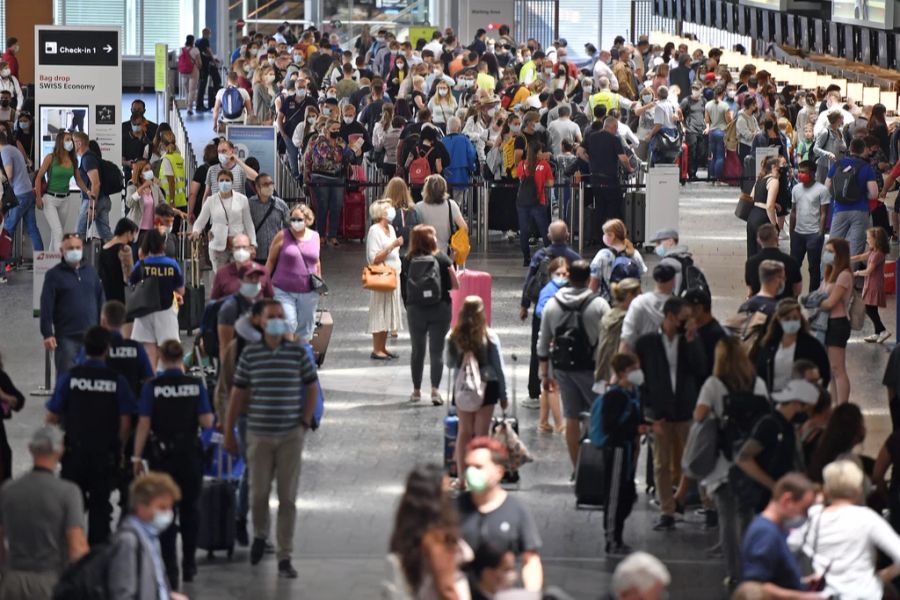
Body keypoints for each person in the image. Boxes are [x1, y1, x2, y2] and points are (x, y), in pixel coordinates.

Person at [223, 299, 319, 579]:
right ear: (260, 322)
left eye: (280, 316)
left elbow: (311, 386)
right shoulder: (250, 355)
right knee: (259, 492)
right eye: (272, 316)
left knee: (287, 498)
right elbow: (237, 396)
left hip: (290, 435)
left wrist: (304, 420)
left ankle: (284, 555)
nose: (278, 320)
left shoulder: (298, 352)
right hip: (258, 434)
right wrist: (229, 432)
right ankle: (260, 535)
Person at [132, 340, 213, 588]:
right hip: (190, 456)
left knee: (165, 511)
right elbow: (207, 421)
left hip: (162, 459)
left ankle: (170, 568)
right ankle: (189, 562)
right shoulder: (195, 385)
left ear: (162, 360)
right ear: (181, 360)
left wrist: (136, 457)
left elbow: (144, 423)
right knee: (191, 511)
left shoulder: (152, 387)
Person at [45, 326, 134, 545]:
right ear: (107, 350)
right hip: (103, 455)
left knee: (71, 508)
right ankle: (96, 560)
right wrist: (119, 448)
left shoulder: (70, 378)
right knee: (100, 509)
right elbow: (125, 421)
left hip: (74, 453)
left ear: (85, 348)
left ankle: (71, 557)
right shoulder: (117, 381)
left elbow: (52, 417)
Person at [634, 296, 707, 531]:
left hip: (686, 411)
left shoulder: (690, 341)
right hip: (661, 414)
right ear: (669, 317)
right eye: (683, 319)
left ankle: (708, 504)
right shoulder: (647, 343)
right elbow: (641, 378)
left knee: (695, 459)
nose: (687, 323)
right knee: (661, 464)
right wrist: (649, 409)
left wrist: (692, 341)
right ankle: (667, 509)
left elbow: (701, 369)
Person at [537, 259, 610, 469]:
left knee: (571, 417)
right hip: (592, 368)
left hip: (563, 369)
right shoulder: (599, 305)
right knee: (596, 415)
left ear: (568, 277)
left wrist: (545, 375)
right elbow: (608, 340)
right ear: (589, 279)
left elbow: (543, 342)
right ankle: (596, 467)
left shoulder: (553, 304)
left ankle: (577, 468)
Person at [791, 460, 900, 600]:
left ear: (827, 489)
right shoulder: (867, 518)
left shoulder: (814, 518)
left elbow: (789, 549)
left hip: (823, 593)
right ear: (859, 489)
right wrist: (879, 578)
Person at [0, 426, 87, 600]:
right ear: (60, 450)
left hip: (14, 579)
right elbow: (76, 545)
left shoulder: (8, 490)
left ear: (31, 449)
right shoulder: (67, 492)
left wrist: (5, 571)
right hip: (51, 580)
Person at [457, 437, 543, 591]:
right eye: (468, 466)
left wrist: (531, 594)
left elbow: (530, 560)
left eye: (478, 467)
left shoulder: (517, 510)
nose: (471, 472)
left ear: (498, 472)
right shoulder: (454, 508)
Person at [733, 379, 819, 515]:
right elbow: (743, 459)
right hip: (760, 501)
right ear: (797, 403)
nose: (807, 415)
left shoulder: (787, 426)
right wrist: (774, 485)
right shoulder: (770, 425)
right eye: (807, 408)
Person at [520, 221, 581, 410]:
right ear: (568, 236)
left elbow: (529, 280)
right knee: (570, 346)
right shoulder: (574, 257)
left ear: (548, 236)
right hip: (567, 311)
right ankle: (569, 389)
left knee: (538, 348)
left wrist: (524, 305)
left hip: (543, 310)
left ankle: (533, 392)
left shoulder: (540, 255)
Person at [444, 297, 508, 480]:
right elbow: (499, 368)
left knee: (464, 432)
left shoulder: (452, 336)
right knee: (481, 433)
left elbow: (449, 364)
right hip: (488, 387)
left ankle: (462, 479)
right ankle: (480, 478)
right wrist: (503, 395)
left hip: (463, 387)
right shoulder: (489, 336)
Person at [388, 464, 472, 599]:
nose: (449, 496)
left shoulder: (408, 530)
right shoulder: (436, 537)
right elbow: (446, 588)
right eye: (445, 490)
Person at [107, 472, 188, 600]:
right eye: (162, 507)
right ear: (141, 506)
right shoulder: (128, 541)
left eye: (170, 508)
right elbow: (122, 593)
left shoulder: (151, 537)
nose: (167, 513)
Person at [740, 473, 822, 599]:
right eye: (804, 509)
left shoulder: (776, 529)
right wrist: (802, 596)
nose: (805, 516)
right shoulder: (765, 533)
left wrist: (802, 582)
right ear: (787, 500)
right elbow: (757, 586)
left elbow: (775, 577)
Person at [594, 353, 643, 554]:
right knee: (615, 495)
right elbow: (610, 426)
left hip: (628, 449)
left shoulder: (633, 393)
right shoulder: (615, 395)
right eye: (634, 369)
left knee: (627, 494)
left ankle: (617, 537)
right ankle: (612, 539)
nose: (639, 373)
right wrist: (636, 429)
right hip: (616, 450)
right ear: (624, 372)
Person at [405, 225, 458, 404]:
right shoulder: (442, 258)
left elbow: (404, 287)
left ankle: (416, 391)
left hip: (415, 310)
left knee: (417, 350)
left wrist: (409, 305)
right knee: (437, 351)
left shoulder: (408, 259)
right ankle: (435, 391)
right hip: (440, 308)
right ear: (431, 239)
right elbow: (455, 285)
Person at [40, 234, 104, 379]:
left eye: (77, 248)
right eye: (70, 248)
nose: (74, 251)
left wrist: (103, 328)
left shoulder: (91, 272)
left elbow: (101, 299)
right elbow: (46, 306)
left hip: (91, 338)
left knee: (92, 380)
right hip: (66, 338)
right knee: (66, 379)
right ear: (62, 251)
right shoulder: (53, 275)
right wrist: (47, 333)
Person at [266, 204, 321, 342]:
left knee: (306, 327)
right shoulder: (282, 236)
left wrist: (320, 281)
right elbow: (271, 261)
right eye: (293, 219)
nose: (296, 222)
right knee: (288, 322)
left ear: (307, 219)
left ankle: (300, 355)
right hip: (283, 290)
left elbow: (317, 261)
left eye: (299, 219)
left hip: (308, 291)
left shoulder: (315, 237)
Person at [755, 299, 831, 393]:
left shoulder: (812, 346)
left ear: (800, 318)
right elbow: (760, 373)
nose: (791, 321)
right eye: (787, 319)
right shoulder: (769, 344)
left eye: (795, 318)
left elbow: (824, 373)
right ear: (779, 319)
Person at [192, 170, 257, 272]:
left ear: (232, 182)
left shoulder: (242, 199)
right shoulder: (210, 200)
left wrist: (253, 243)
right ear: (217, 182)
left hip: (237, 244)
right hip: (217, 244)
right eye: (221, 180)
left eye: (227, 180)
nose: (224, 183)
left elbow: (248, 223)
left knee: (239, 276)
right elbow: (200, 221)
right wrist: (196, 232)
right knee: (220, 278)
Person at [825, 137, 878, 258]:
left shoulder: (837, 164)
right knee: (855, 247)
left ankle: (828, 274)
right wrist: (863, 195)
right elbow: (874, 193)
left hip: (839, 209)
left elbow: (827, 185)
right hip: (860, 211)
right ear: (864, 150)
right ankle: (849, 274)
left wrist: (837, 196)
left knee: (832, 246)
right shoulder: (866, 167)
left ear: (850, 149)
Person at [577, 115, 633, 228]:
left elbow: (579, 152)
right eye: (616, 128)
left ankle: (599, 237)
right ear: (613, 126)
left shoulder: (590, 137)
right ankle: (614, 234)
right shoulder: (614, 139)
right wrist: (630, 168)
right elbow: (623, 159)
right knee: (614, 207)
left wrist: (590, 161)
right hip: (610, 179)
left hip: (595, 178)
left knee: (600, 207)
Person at [304, 118, 353, 246]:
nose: (337, 131)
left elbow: (349, 156)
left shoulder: (340, 141)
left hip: (338, 177)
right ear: (327, 129)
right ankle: (320, 235)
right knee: (322, 206)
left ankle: (332, 235)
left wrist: (348, 150)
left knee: (336, 206)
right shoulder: (320, 141)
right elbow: (332, 156)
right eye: (334, 129)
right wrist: (344, 149)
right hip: (321, 177)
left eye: (338, 129)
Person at [366, 198, 404, 360]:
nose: (391, 210)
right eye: (388, 208)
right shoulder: (374, 230)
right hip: (382, 275)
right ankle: (376, 348)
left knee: (388, 311)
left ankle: (383, 347)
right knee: (379, 310)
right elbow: (374, 257)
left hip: (394, 275)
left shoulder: (390, 229)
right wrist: (392, 246)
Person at [817, 237, 852, 405]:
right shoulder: (829, 273)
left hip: (838, 324)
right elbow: (819, 294)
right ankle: (835, 403)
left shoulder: (844, 275)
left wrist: (815, 302)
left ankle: (842, 406)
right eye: (826, 251)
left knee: (838, 369)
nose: (827, 255)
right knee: (831, 370)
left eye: (830, 252)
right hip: (826, 324)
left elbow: (831, 302)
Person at [33, 131, 77, 252]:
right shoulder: (51, 158)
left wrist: (88, 192)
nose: (70, 142)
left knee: (56, 233)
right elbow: (38, 178)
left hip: (65, 199)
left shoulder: (73, 159)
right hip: (50, 199)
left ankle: (50, 263)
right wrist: (38, 198)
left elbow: (78, 180)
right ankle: (60, 265)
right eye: (67, 139)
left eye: (71, 140)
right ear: (60, 142)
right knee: (58, 233)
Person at [0, 129, 42, 258]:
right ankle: (41, 260)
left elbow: (9, 174)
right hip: (28, 193)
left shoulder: (5, 151)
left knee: (7, 229)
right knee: (32, 229)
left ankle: (4, 264)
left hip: (19, 195)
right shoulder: (13, 149)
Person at [790, 160, 830, 292]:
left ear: (812, 173)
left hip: (814, 234)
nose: (800, 175)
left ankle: (813, 294)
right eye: (799, 172)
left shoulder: (822, 190)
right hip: (798, 234)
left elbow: (824, 213)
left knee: (813, 267)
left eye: (804, 172)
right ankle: (792, 292)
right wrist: (792, 232)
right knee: (794, 266)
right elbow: (793, 211)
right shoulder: (796, 189)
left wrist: (820, 232)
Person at [619, 263, 676, 352]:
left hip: (642, 359)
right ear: (673, 281)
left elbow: (627, 340)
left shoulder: (639, 302)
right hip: (670, 360)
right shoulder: (678, 306)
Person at [588, 218, 647, 299]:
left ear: (612, 236)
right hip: (631, 302)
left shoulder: (603, 255)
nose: (603, 236)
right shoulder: (635, 253)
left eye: (605, 234)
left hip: (609, 302)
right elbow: (640, 275)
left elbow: (594, 284)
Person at [852, 226, 891, 344]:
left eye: (869, 238)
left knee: (870, 309)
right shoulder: (873, 252)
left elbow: (869, 271)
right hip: (870, 284)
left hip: (874, 285)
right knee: (871, 309)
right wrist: (845, 258)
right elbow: (859, 257)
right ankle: (878, 332)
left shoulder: (878, 254)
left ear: (876, 240)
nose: (867, 240)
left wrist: (856, 273)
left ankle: (883, 330)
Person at [745, 223, 802, 299]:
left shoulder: (751, 263)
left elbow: (750, 290)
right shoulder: (791, 261)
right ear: (777, 239)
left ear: (759, 240)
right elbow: (797, 290)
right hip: (784, 306)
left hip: (760, 305)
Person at [210, 233, 274, 300]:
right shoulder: (222, 273)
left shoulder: (262, 272)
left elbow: (269, 300)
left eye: (244, 247)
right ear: (232, 250)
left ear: (251, 249)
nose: (241, 251)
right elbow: (214, 301)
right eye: (237, 248)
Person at [415, 174, 468, 255]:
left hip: (424, 254)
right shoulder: (451, 205)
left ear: (426, 189)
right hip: (446, 253)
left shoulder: (418, 207)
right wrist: (456, 244)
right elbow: (464, 228)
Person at [73, 132, 112, 242]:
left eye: (73, 141)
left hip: (93, 201)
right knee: (105, 233)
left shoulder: (88, 159)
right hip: (103, 199)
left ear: (79, 143)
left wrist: (91, 207)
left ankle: (77, 259)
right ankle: (116, 255)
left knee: (79, 233)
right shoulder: (91, 157)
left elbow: (96, 183)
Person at [248, 172, 289, 265]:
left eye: (271, 183)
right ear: (257, 187)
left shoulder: (280, 204)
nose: (269, 186)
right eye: (265, 184)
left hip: (276, 253)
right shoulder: (250, 204)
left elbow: (289, 226)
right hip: (257, 254)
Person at [98, 218, 138, 309]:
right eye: (133, 235)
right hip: (121, 295)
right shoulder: (125, 249)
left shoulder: (104, 247)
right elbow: (129, 277)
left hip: (106, 293)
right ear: (128, 232)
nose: (133, 239)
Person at [203, 138, 259, 203]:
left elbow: (256, 177)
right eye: (219, 152)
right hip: (217, 210)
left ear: (232, 151)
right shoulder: (212, 170)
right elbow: (207, 194)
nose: (221, 154)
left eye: (224, 151)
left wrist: (238, 161)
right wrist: (203, 211)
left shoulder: (240, 169)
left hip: (237, 210)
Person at [746, 156, 782, 259]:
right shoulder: (773, 181)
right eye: (780, 166)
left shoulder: (760, 179)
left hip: (752, 216)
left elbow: (752, 196)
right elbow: (769, 206)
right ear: (774, 167)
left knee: (752, 252)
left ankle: (752, 273)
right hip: (763, 217)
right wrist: (775, 225)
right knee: (765, 254)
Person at [125, 160, 165, 244]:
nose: (149, 172)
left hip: (152, 230)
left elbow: (163, 204)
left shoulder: (155, 187)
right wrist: (142, 187)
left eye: (150, 169)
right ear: (140, 174)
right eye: (146, 170)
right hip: (137, 230)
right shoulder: (132, 187)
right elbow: (129, 203)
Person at [178, 35, 201, 115]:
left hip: (183, 72)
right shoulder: (195, 50)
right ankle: (189, 107)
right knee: (192, 90)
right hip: (193, 70)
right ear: (193, 41)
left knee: (187, 90)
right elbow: (199, 62)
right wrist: (199, 67)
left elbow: (179, 60)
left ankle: (186, 102)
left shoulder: (182, 50)